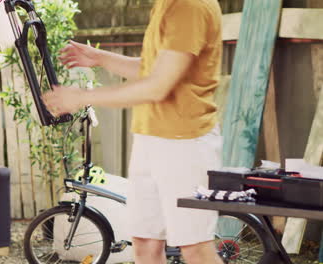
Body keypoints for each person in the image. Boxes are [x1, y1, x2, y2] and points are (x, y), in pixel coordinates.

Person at [43, 0, 224, 263]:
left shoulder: (190, 6)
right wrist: (101, 58)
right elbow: (153, 69)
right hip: (150, 139)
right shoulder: (166, 4)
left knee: (195, 249)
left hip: (185, 144)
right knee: (145, 244)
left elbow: (158, 86)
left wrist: (81, 97)